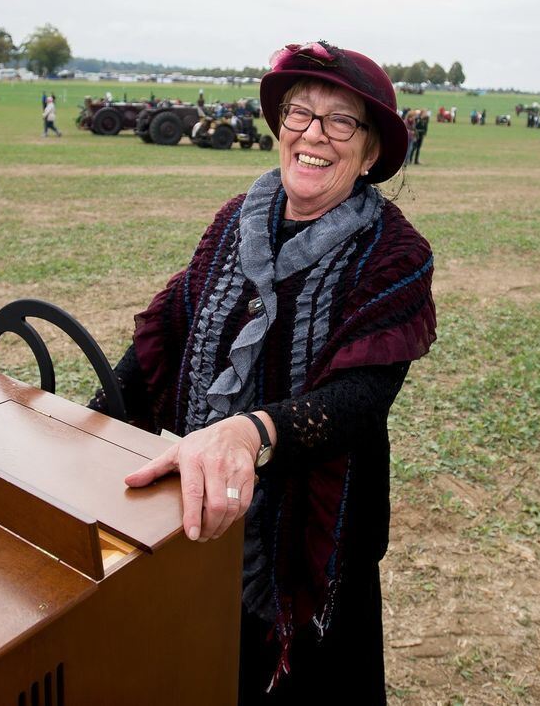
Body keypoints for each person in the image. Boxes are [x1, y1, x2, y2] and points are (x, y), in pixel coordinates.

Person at [89, 41, 436, 705]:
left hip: (313, 546)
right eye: (300, 113)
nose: (313, 133)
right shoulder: (234, 221)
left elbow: (361, 396)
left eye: (341, 121)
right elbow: (170, 326)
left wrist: (249, 433)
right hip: (205, 517)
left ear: (370, 154)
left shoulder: (396, 254)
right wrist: (90, 416)